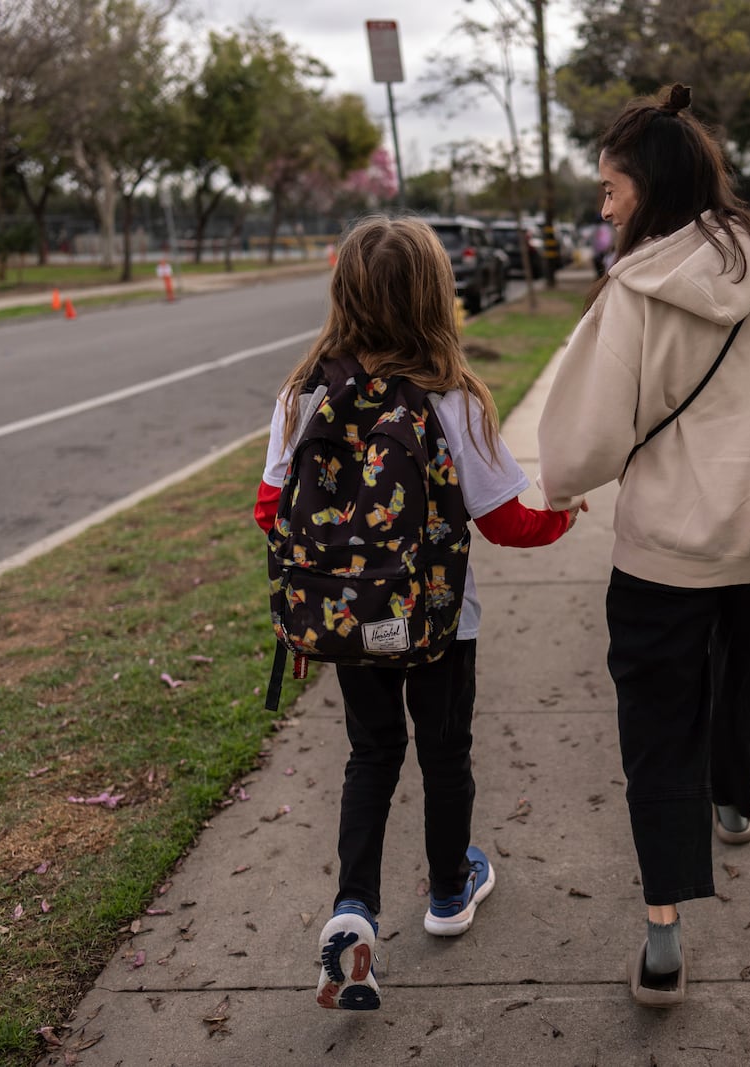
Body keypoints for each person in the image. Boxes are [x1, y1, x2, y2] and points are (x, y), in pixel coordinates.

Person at [536, 84, 750, 1006]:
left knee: (657, 735)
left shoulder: (634, 290)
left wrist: (567, 486)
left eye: (611, 189)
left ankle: (662, 934)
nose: (604, 207)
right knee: (745, 681)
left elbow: (580, 438)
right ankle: (732, 799)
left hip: (658, 556)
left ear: (647, 188)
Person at [253, 216, 586, 1012]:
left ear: (343, 293)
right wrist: (567, 513)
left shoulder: (302, 395)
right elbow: (508, 522)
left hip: (345, 625)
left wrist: (344, 567)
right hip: (439, 624)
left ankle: (354, 906)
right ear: (438, 296)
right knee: (445, 752)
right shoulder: (453, 400)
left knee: (371, 755)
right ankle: (447, 891)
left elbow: (271, 509)